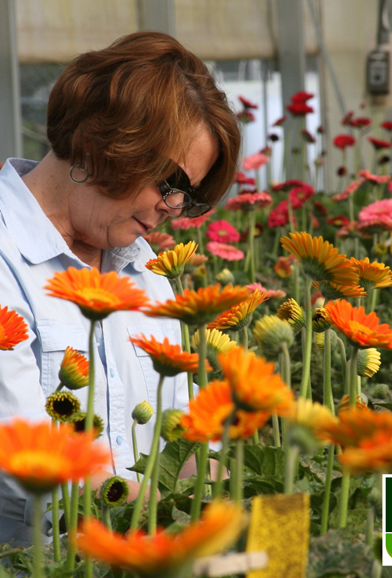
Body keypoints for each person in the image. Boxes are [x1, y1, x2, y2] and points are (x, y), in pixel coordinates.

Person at [0, 31, 240, 545]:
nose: (173, 209)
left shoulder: (145, 269)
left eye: (188, 197)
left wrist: (253, 493)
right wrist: (164, 515)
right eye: (169, 183)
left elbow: (182, 440)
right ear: (103, 144)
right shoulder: (5, 253)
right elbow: (19, 462)